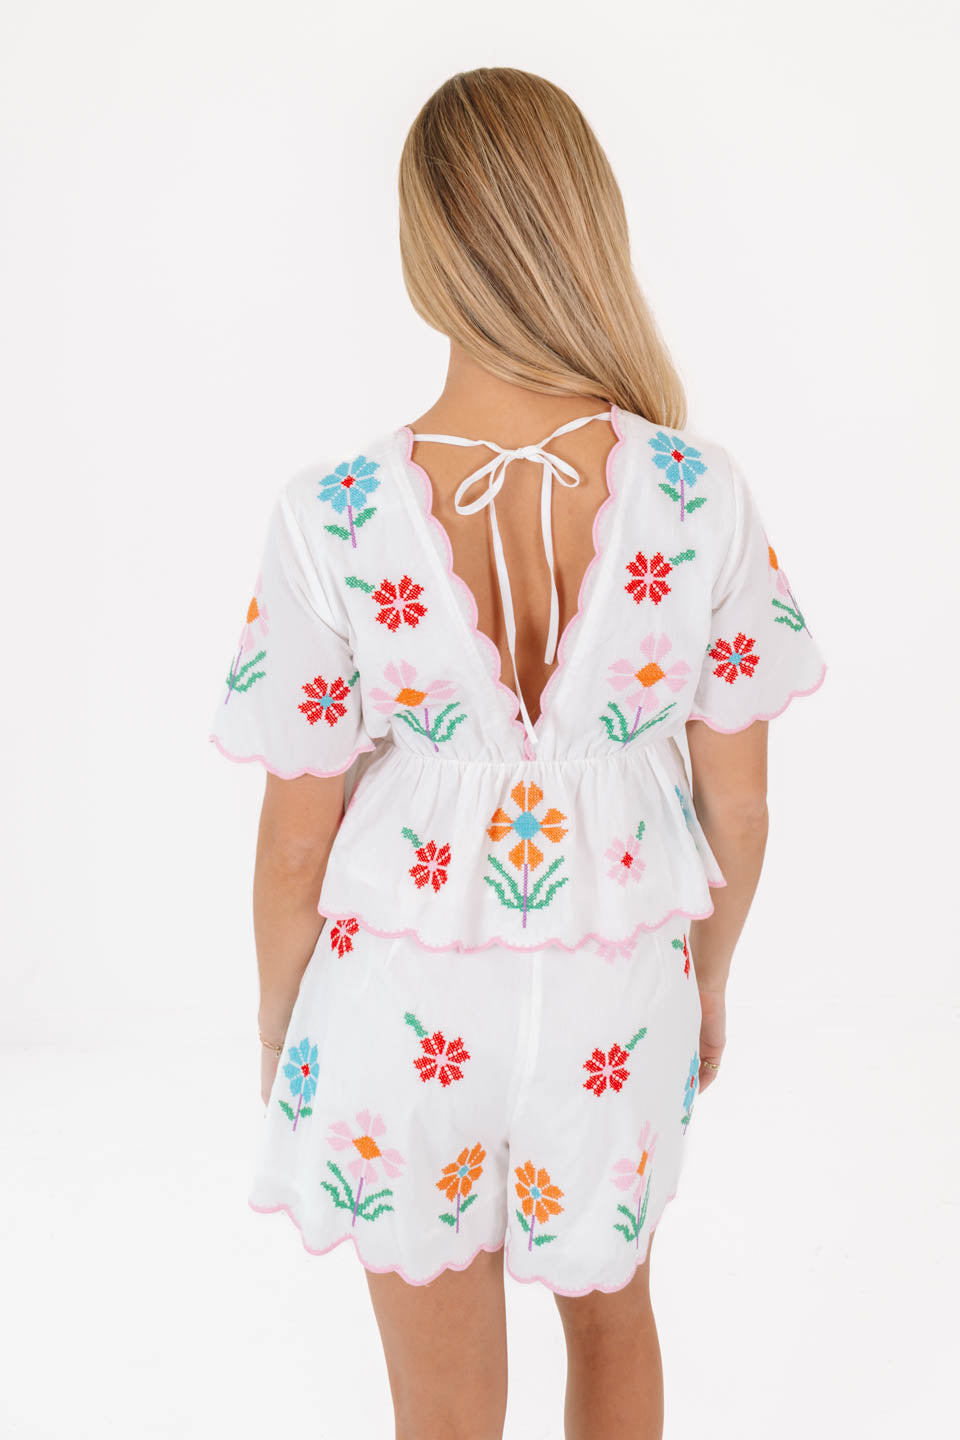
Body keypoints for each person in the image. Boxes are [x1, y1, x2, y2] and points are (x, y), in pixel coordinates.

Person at [209, 66, 826, 1440]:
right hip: (619, 992)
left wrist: (278, 1022)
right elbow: (739, 808)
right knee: (616, 1324)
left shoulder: (332, 513)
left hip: (400, 1001)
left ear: (423, 249)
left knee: (441, 1414)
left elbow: (296, 841)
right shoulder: (698, 494)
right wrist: (709, 980)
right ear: (586, 224)